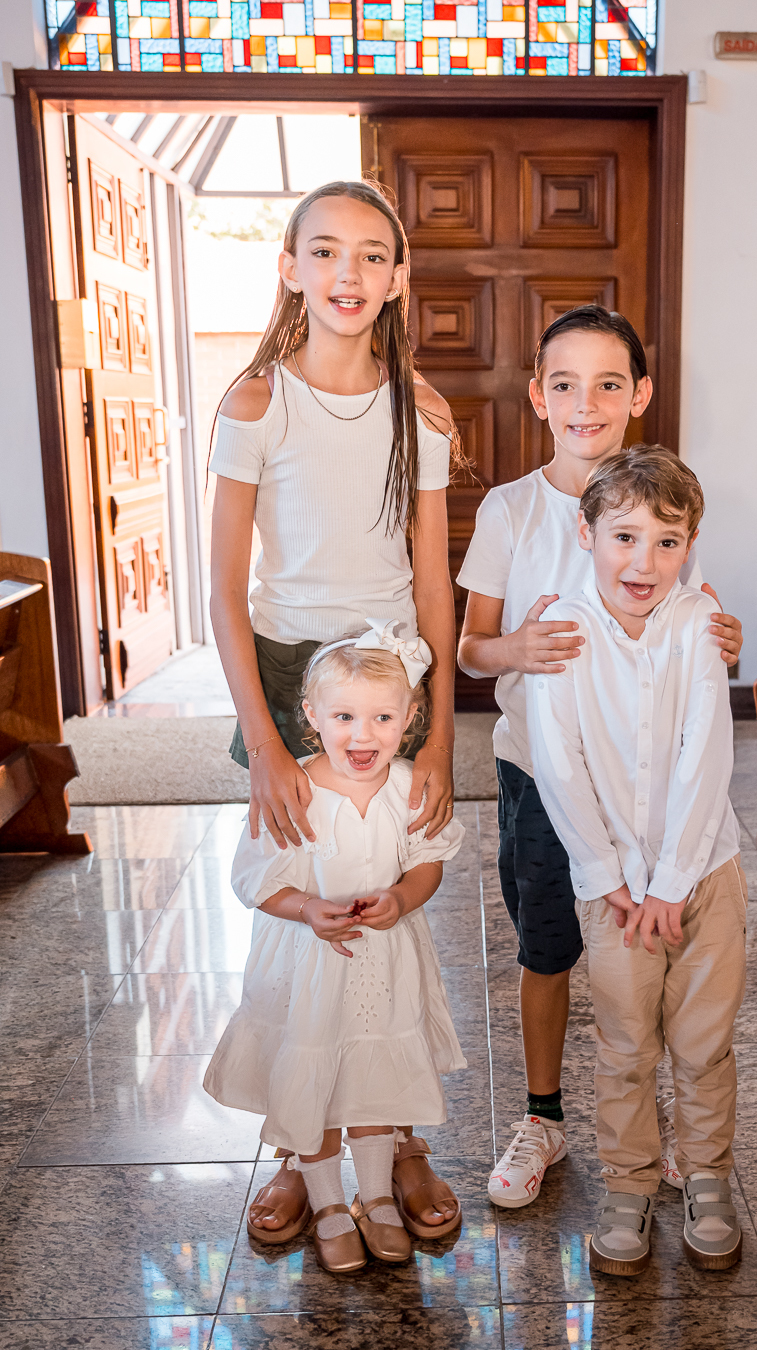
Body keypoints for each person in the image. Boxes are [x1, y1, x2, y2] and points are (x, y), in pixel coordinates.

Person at [208, 180, 461, 1241]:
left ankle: (394, 1134)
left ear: (397, 277)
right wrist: (269, 744)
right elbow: (223, 591)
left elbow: (433, 576)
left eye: (370, 254)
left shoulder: (422, 409)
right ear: (290, 268)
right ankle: (299, 1144)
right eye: (324, 251)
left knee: (389, 895)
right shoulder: (256, 402)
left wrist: (441, 735)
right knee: (305, 909)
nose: (347, 273)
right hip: (287, 671)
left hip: (395, 673)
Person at [456, 306, 743, 1208]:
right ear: (539, 397)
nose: (588, 403)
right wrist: (517, 648)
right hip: (543, 772)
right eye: (567, 384)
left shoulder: (663, 503)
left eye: (609, 383)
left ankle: (657, 1138)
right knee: (548, 947)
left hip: (646, 782)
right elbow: (469, 648)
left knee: (653, 961)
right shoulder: (510, 509)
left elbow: (688, 621)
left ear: (639, 395)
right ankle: (543, 1118)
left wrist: (722, 636)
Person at [527, 447, 747, 1276]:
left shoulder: (697, 624)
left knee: (704, 1041)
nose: (643, 563)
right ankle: (628, 1183)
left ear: (690, 546)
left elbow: (704, 756)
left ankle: (708, 1176)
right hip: (614, 890)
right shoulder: (562, 632)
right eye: (624, 537)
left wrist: (673, 882)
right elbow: (561, 764)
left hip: (705, 875)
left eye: (666, 542)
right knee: (624, 1044)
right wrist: (610, 876)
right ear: (586, 534)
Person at [204, 626, 466, 1272]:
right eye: (344, 717)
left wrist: (402, 897)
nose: (362, 735)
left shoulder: (409, 786)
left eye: (382, 718)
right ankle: (325, 1202)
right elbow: (257, 880)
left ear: (410, 718)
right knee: (312, 1079)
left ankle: (375, 1198)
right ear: (312, 716)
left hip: (384, 965)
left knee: (372, 1081)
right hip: (307, 967)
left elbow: (428, 862)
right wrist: (305, 907)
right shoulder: (293, 789)